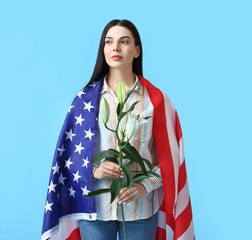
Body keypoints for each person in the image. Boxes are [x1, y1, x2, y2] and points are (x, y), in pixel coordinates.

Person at [41, 19, 195, 240]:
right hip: (95, 210)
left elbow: (171, 159)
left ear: (136, 51)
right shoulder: (83, 101)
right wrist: (94, 170)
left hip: (141, 209)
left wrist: (144, 185)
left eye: (124, 41)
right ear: (103, 50)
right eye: (109, 42)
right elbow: (67, 158)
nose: (115, 48)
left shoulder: (156, 101)